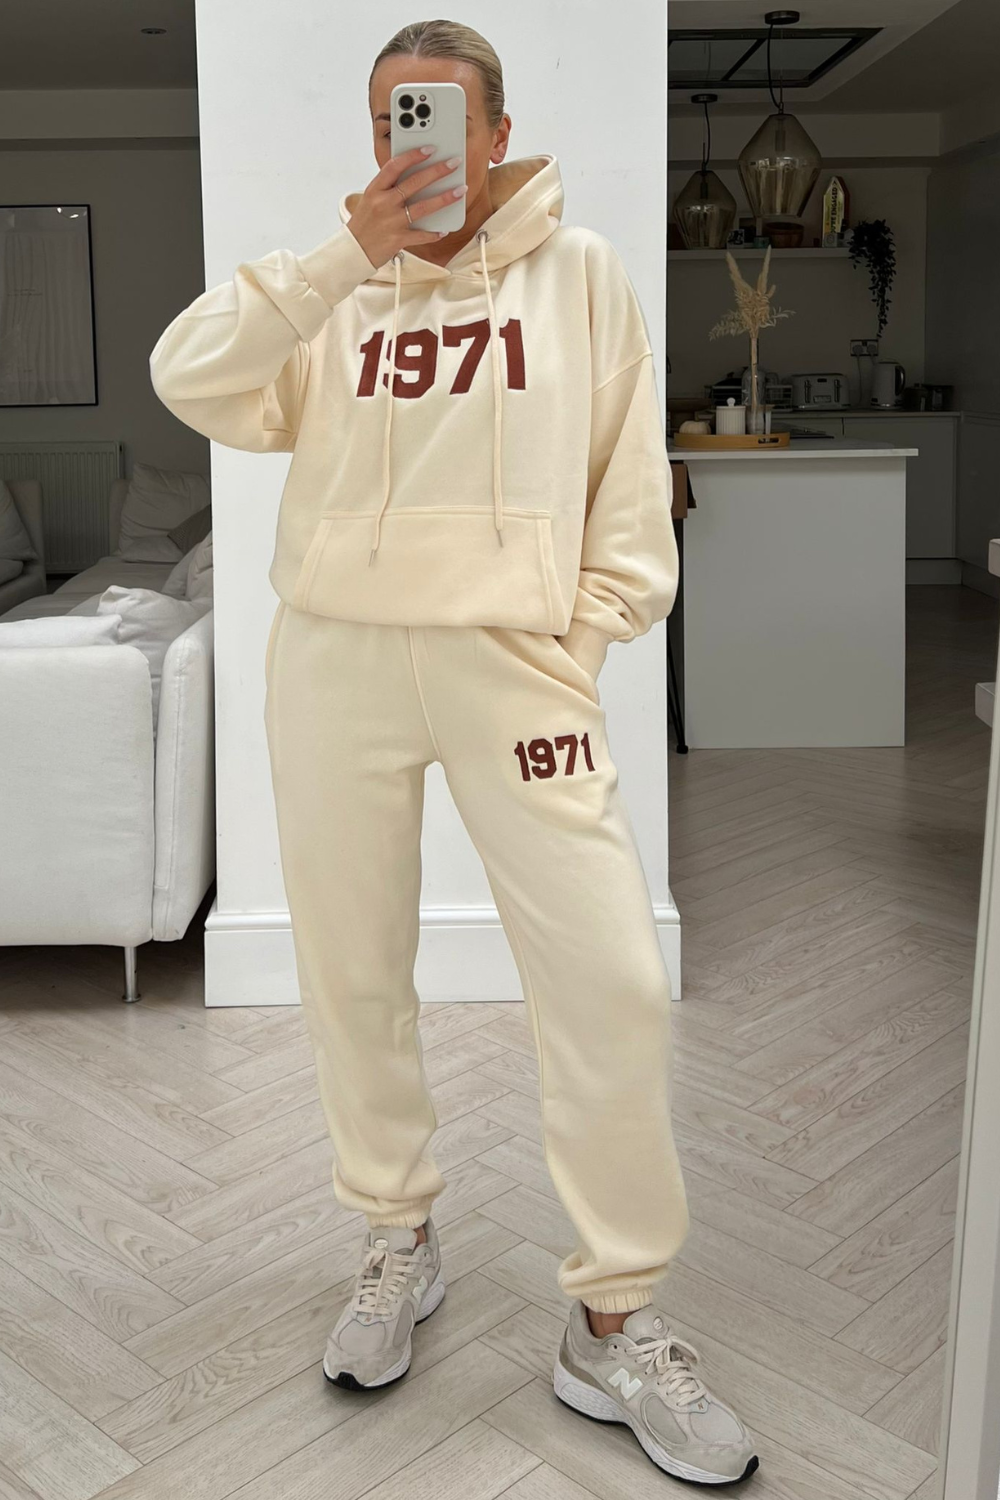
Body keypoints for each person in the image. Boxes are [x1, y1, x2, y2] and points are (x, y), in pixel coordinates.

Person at [149, 18, 758, 1488]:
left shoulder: (582, 275)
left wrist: (584, 640)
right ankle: (397, 1234)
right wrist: (336, 258)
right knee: (351, 964)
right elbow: (189, 375)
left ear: (494, 132)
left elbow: (628, 480)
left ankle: (614, 1319)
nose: (402, 142)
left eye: (429, 116)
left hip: (514, 664)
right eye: (383, 120)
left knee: (611, 975)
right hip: (338, 657)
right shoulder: (333, 289)